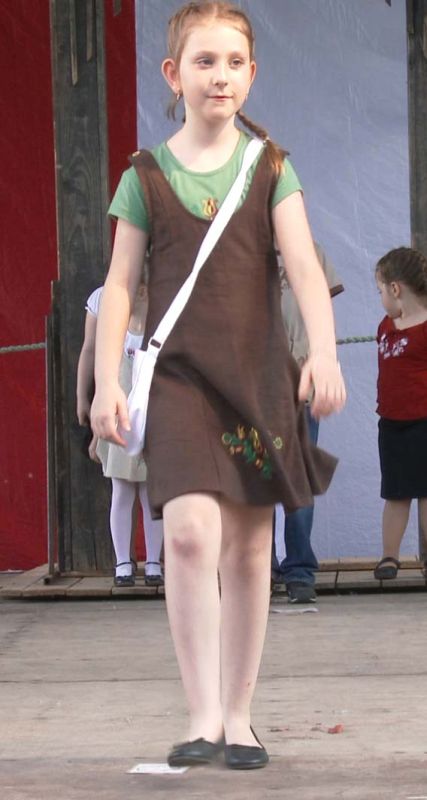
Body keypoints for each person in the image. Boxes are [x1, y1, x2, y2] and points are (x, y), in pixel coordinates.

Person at [90, 1, 346, 769]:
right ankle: (201, 713)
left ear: (252, 74)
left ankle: (238, 717)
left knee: (248, 545)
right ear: (173, 75)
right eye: (203, 61)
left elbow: (304, 268)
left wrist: (323, 353)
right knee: (189, 532)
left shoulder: (271, 167)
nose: (220, 76)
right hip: (177, 381)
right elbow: (120, 285)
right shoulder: (143, 176)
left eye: (234, 62)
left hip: (256, 380)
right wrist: (105, 382)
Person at [76, 279, 164, 588]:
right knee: (122, 490)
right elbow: (90, 350)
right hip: (118, 408)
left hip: (152, 410)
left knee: (151, 491)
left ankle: (153, 561)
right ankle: (123, 562)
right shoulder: (103, 298)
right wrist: (83, 397)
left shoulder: (161, 294)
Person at [272, 243, 344, 603]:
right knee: (254, 475)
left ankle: (299, 568)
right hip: (256, 384)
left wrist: (325, 361)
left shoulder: (310, 249)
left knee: (298, 476)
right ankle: (259, 566)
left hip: (301, 380)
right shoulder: (243, 242)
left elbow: (323, 310)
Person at [374, 247, 427, 581]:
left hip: (423, 422)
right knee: (395, 493)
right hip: (392, 423)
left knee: (426, 494)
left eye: (380, 290)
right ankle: (390, 555)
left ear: (395, 289)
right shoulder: (386, 325)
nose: (380, 298)